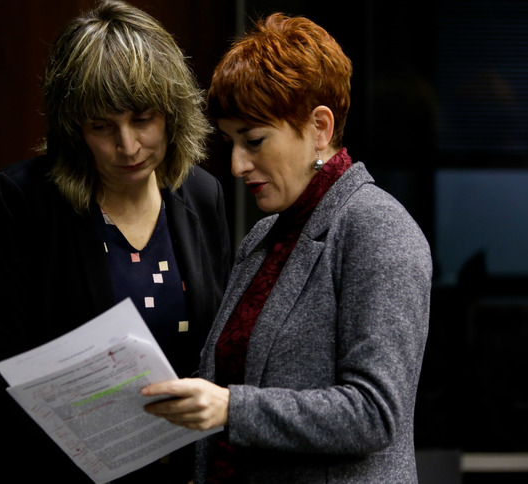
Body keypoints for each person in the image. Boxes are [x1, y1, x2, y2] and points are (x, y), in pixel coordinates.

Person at [142, 13, 432, 484]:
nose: (237, 165)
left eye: (254, 140)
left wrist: (230, 408)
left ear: (319, 127)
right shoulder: (265, 237)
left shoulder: (377, 227)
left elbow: (375, 413)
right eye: (232, 142)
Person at [0, 1, 231, 482]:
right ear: (74, 128)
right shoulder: (21, 202)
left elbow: (220, 350)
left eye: (143, 118)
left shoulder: (202, 196)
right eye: (102, 126)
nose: (127, 146)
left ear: (173, 113)